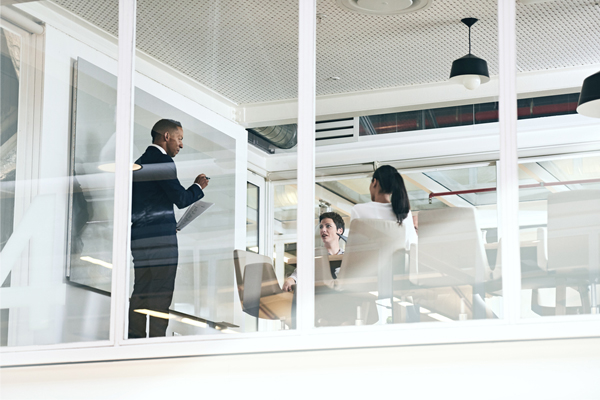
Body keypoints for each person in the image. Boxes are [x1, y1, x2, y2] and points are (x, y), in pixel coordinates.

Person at [128, 119, 209, 338]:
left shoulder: (139, 162)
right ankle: (156, 342)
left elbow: (146, 203)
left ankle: (134, 338)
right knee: (161, 293)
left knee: (141, 290)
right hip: (161, 240)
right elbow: (181, 199)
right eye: (179, 138)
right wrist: (198, 187)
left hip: (138, 237)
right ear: (166, 136)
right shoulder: (162, 161)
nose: (181, 145)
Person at [350, 164, 418, 249]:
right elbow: (412, 245)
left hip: (369, 261)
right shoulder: (404, 213)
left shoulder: (358, 210)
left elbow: (353, 247)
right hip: (398, 262)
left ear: (374, 182)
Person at [282, 211, 345, 292]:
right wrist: (290, 280)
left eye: (328, 226)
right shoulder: (313, 255)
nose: (323, 230)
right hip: (316, 298)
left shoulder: (348, 257)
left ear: (340, 231)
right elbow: (297, 275)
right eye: (321, 227)